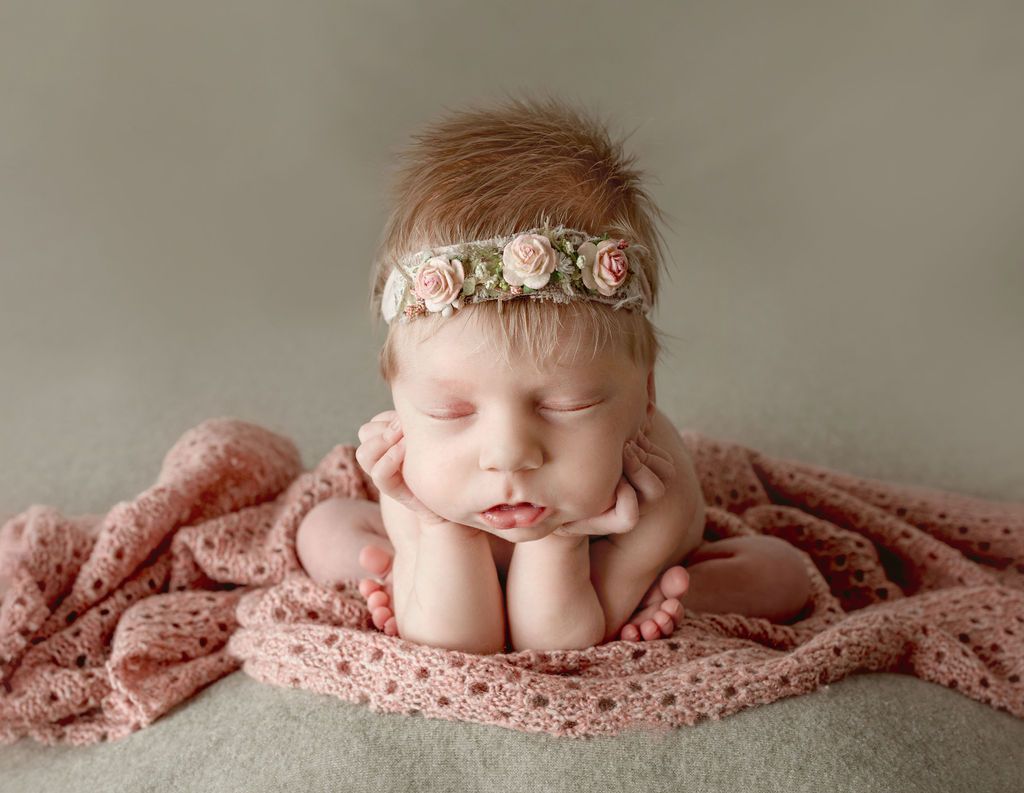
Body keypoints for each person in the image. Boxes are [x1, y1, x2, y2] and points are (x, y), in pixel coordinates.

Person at [296, 95, 811, 654]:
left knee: (781, 574)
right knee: (320, 529)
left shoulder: (652, 495)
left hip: (596, 562)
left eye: (566, 407)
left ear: (646, 398)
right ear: (399, 402)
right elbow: (456, 644)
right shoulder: (412, 476)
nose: (509, 453)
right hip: (451, 525)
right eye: (450, 411)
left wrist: (563, 542)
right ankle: (416, 571)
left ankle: (659, 596)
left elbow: (553, 644)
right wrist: (439, 527)